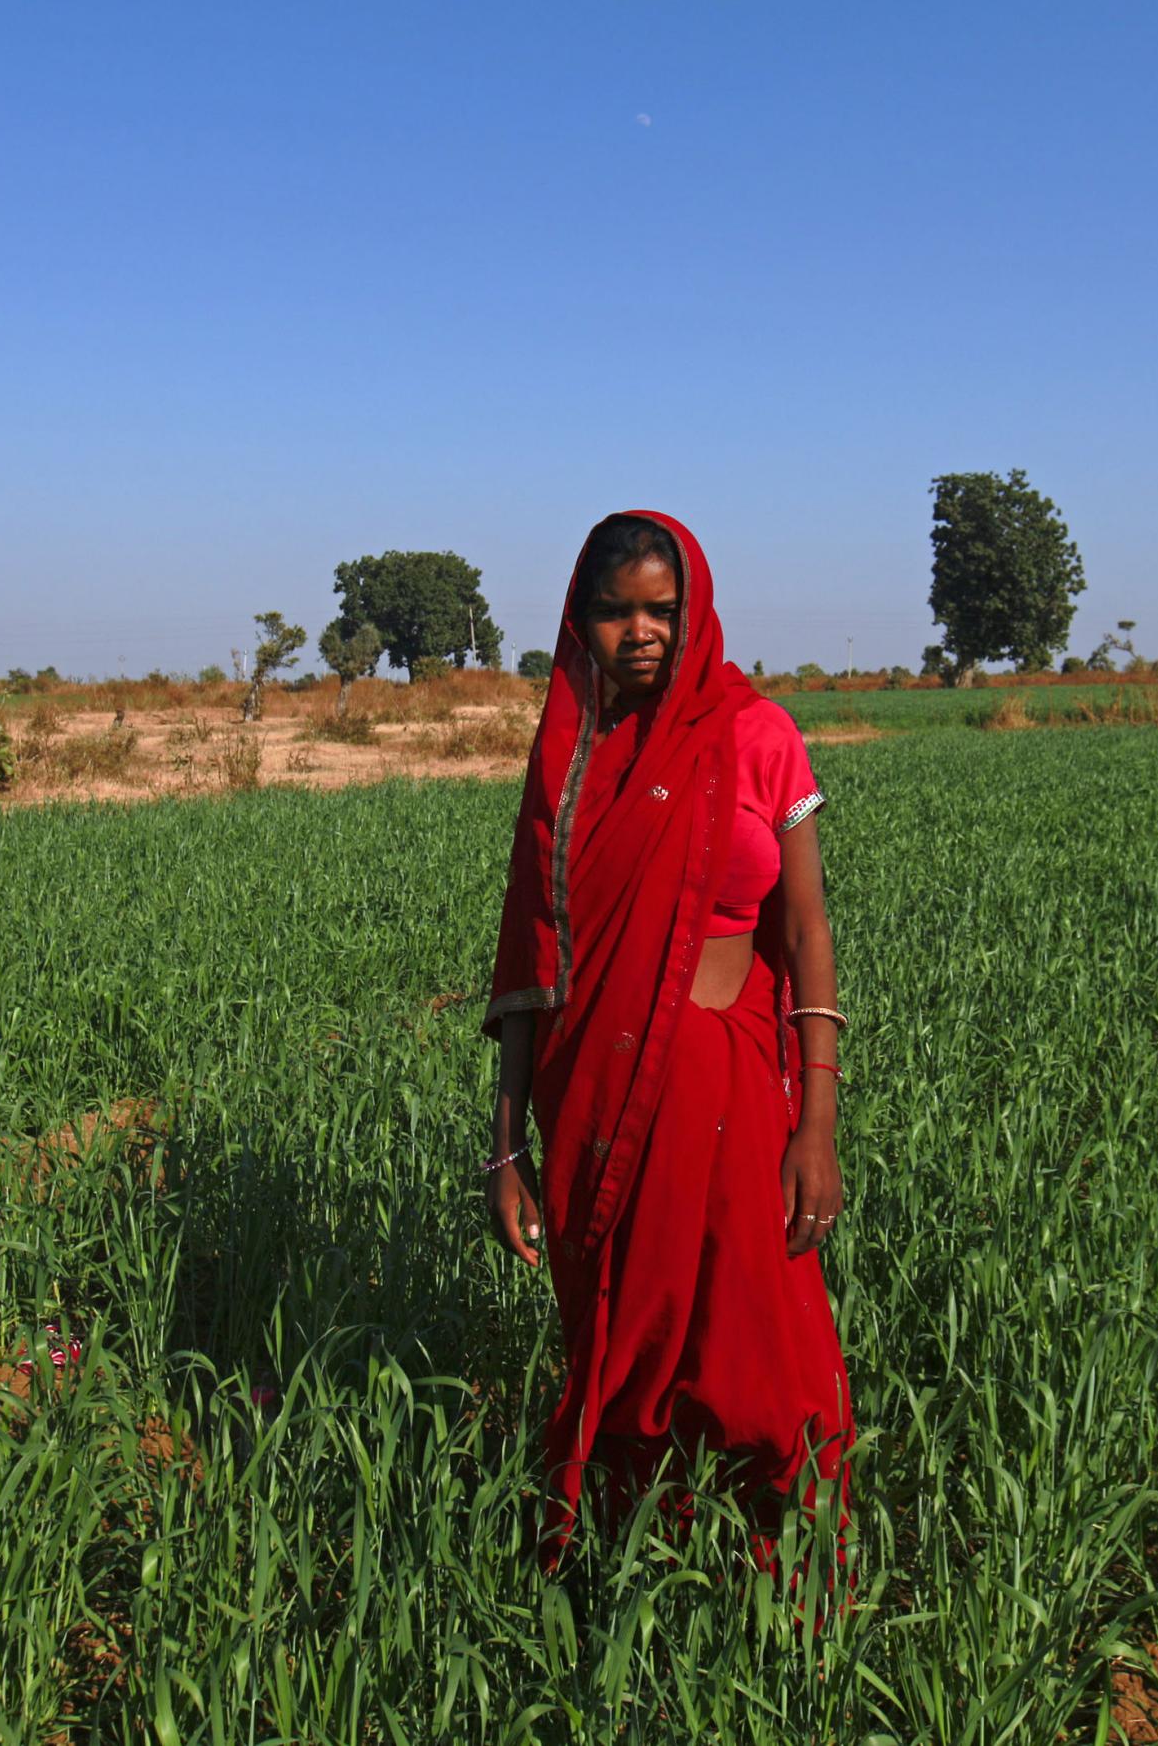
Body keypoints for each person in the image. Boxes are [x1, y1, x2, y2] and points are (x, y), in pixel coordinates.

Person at [483, 511, 854, 1567]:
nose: (638, 631)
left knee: (759, 1357)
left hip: (734, 1100)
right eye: (613, 611)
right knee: (624, 1346)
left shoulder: (757, 734)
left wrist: (815, 1122)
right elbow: (529, 967)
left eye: (660, 608)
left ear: (694, 613)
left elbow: (807, 929)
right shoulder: (567, 765)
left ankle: (780, 1577)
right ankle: (630, 1564)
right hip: (597, 1111)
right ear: (579, 622)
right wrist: (506, 1145)